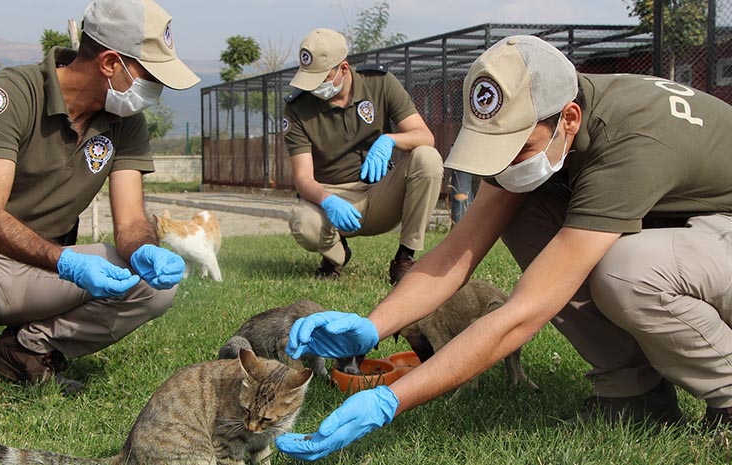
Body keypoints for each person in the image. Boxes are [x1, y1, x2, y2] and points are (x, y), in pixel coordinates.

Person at [275, 35, 732, 460]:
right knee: (520, 211)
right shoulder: (555, 123)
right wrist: (373, 326)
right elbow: (458, 252)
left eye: (518, 147)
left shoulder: (629, 142)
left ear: (569, 119)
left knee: (627, 271)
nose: (506, 165)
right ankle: (633, 395)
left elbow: (525, 312)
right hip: (684, 222)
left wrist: (393, 398)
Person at [0, 0, 201, 407]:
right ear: (111, 63)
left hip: (41, 267)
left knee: (152, 288)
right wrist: (66, 262)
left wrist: (145, 248)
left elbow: (129, 220)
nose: (156, 91)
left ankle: (25, 351)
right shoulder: (13, 93)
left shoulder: (125, 121)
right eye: (151, 76)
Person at [282, 28, 443, 283]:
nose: (313, 87)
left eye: (320, 78)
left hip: (379, 194)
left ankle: (405, 257)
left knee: (428, 158)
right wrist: (327, 201)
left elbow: (425, 137)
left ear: (343, 69)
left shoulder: (380, 83)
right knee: (302, 221)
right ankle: (336, 255)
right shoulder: (296, 109)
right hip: (331, 198)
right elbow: (303, 177)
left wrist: (389, 140)